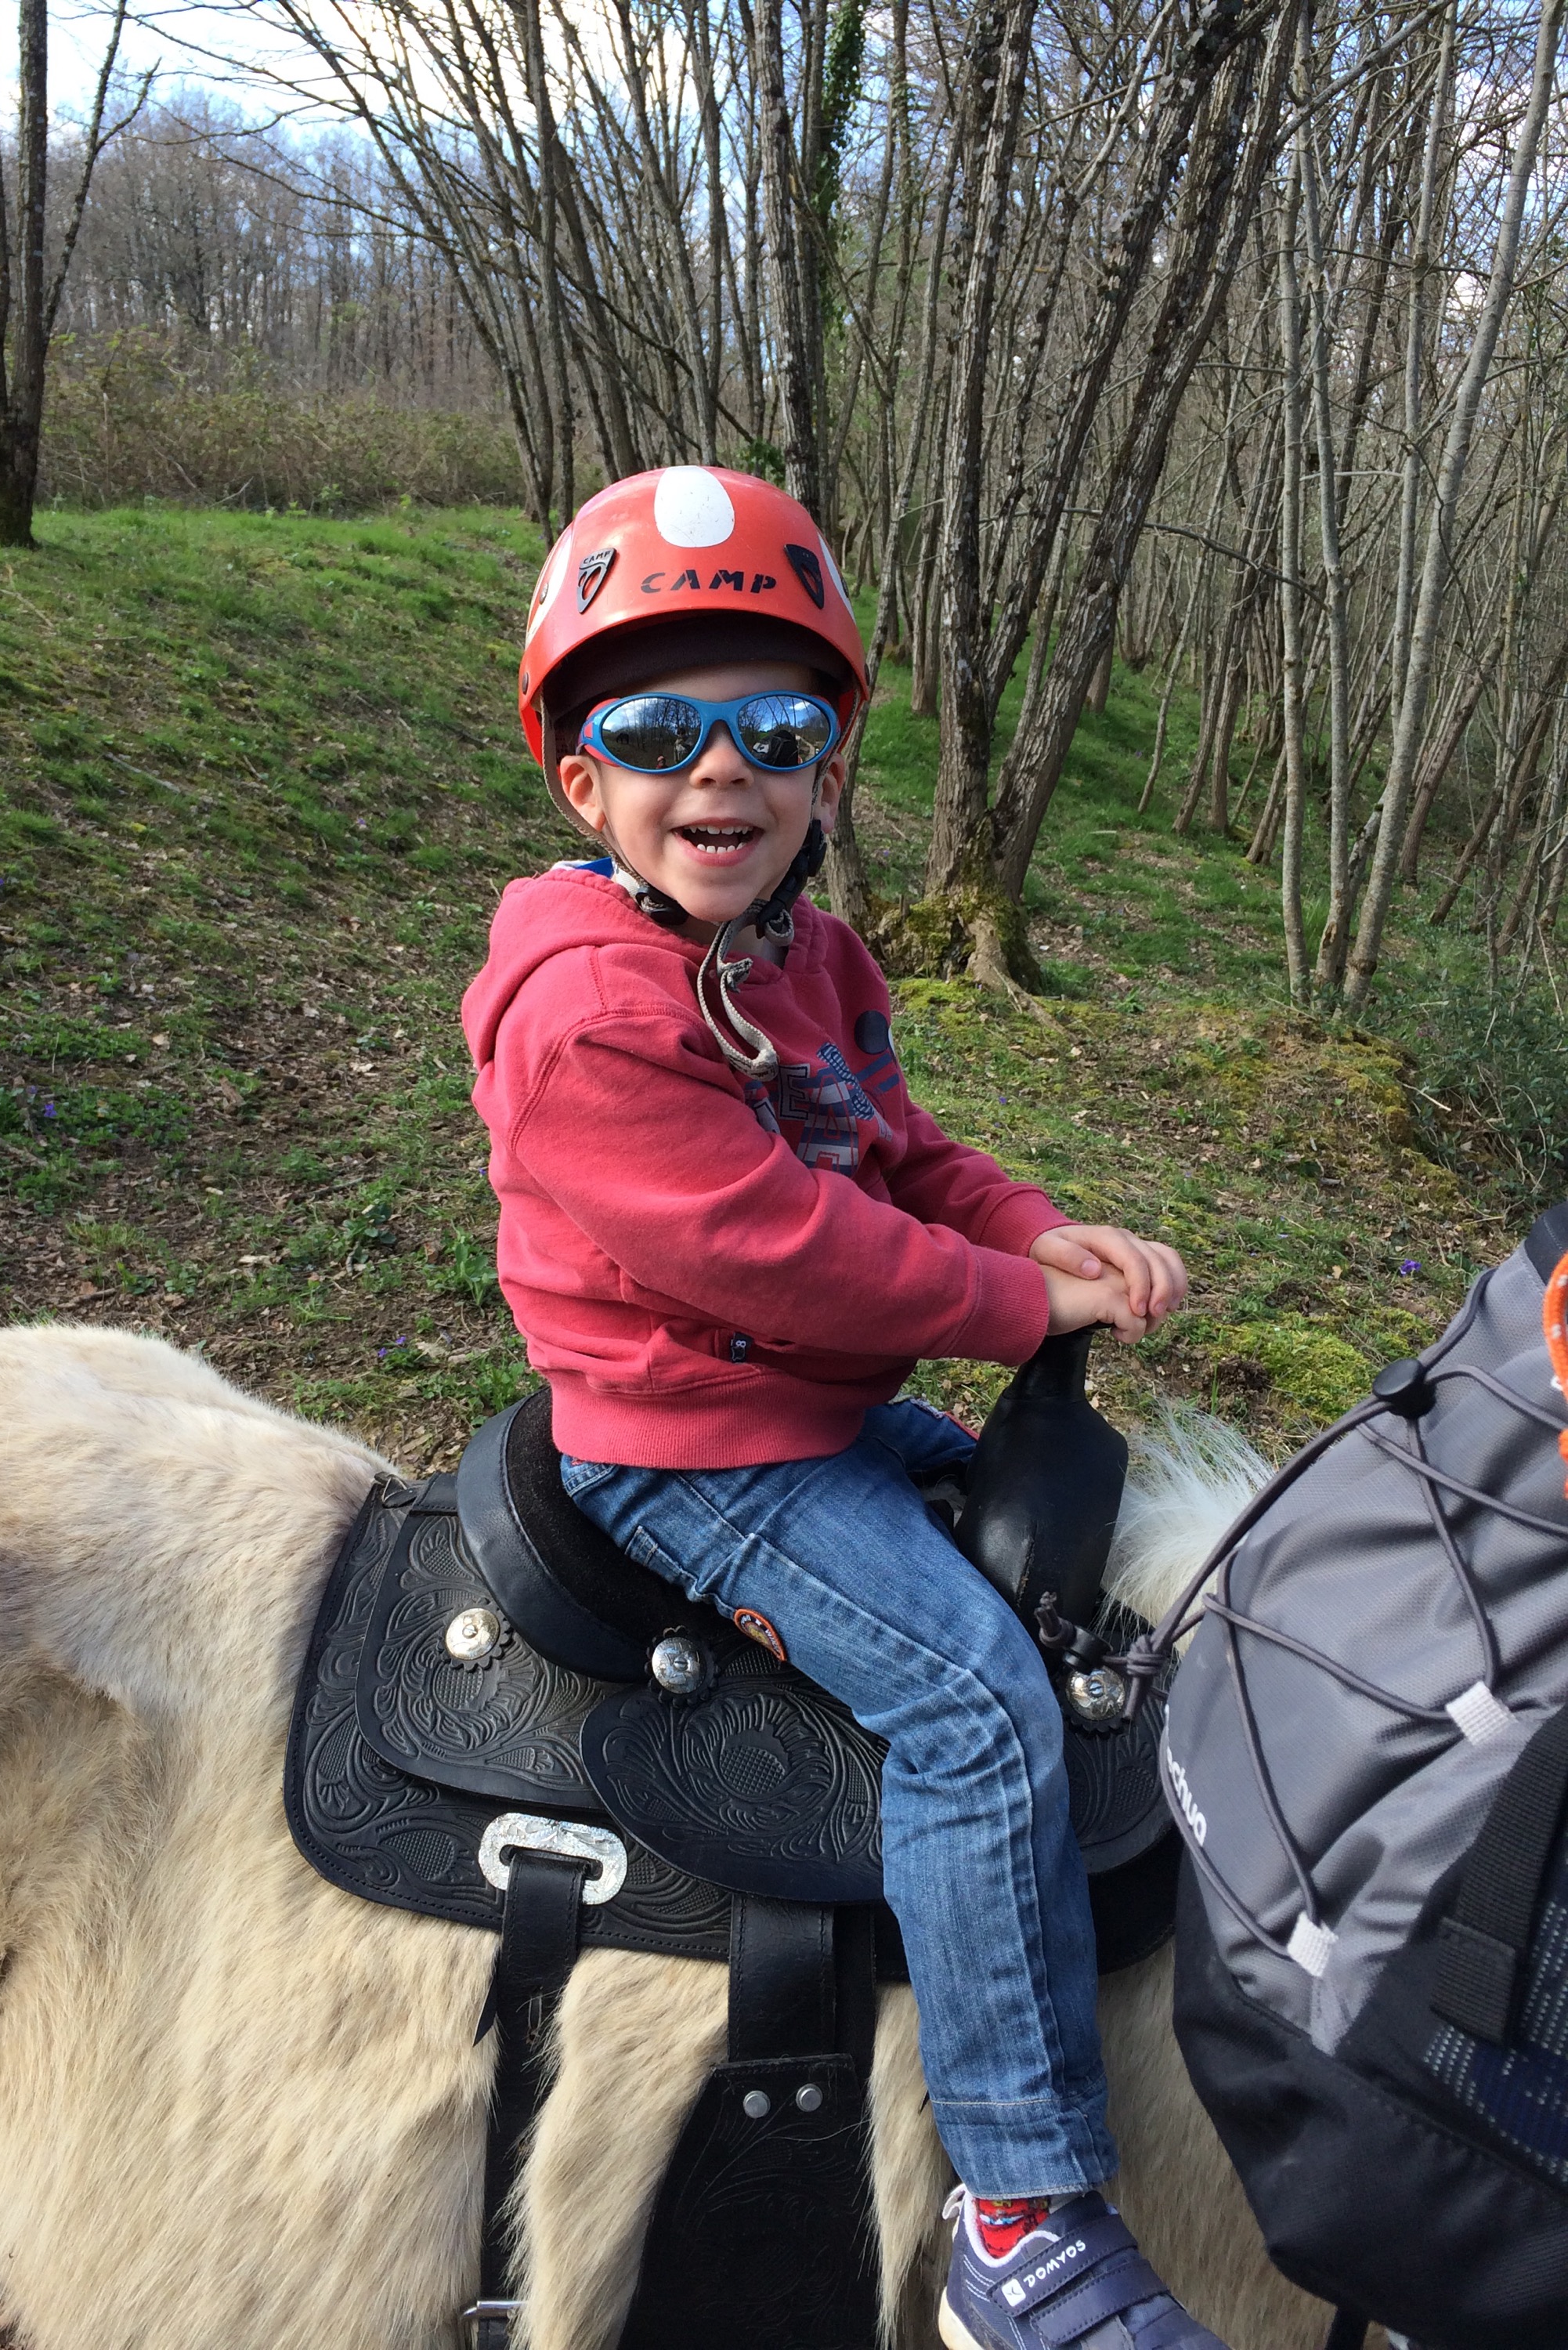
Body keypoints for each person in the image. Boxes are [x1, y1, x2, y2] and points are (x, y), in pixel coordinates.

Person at [461, 467, 1214, 2350]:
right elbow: (784, 1254)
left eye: (776, 731)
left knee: (1086, 1575)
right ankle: (1022, 2213)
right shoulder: (587, 1009)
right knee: (971, 1700)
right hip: (688, 1448)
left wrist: (1037, 1227)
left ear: (826, 771)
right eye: (661, 733)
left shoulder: (807, 955)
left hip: (817, 1414)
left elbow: (902, 1152)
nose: (721, 770)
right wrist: (1012, 1302)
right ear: (584, 782)